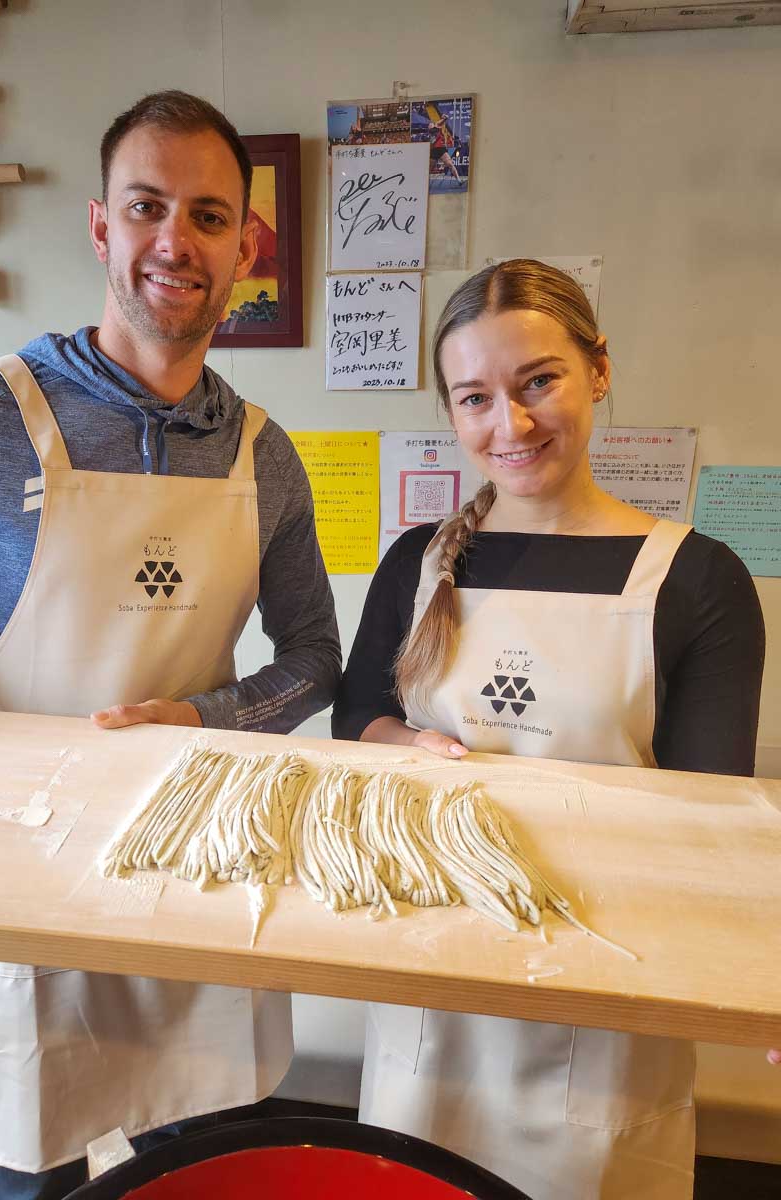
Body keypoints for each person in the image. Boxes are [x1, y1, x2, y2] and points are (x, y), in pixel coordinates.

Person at [0, 91, 341, 1199]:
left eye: (208, 216)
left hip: (205, 879)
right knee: (26, 1169)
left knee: (202, 1172)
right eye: (147, 206)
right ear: (102, 226)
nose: (175, 240)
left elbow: (315, 658)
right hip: (24, 882)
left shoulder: (267, 457)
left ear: (245, 247)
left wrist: (208, 719)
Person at [332, 258, 764, 1200]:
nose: (510, 425)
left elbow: (716, 824)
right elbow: (355, 717)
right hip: (431, 970)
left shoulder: (695, 580)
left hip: (608, 991)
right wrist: (411, 747)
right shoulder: (416, 561)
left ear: (598, 369)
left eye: (539, 382)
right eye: (475, 397)